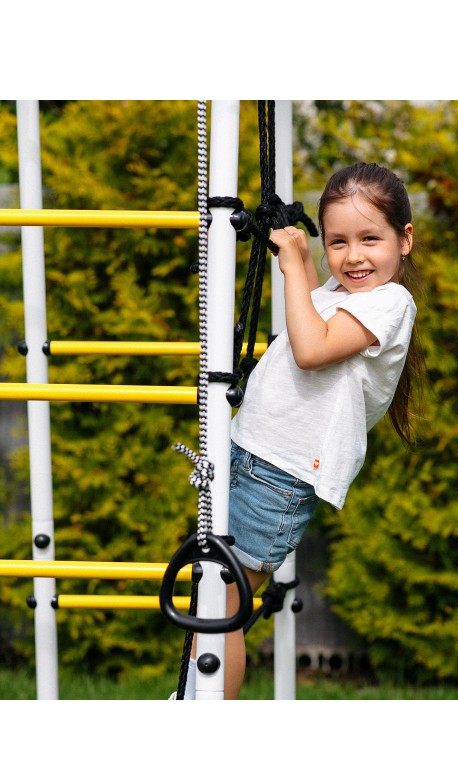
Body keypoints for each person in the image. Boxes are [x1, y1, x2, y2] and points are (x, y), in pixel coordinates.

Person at [184, 162, 425, 699]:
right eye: (337, 241)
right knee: (213, 593)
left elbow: (312, 350)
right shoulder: (344, 293)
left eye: (370, 239)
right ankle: (193, 697)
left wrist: (295, 266)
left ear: (405, 239)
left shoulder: (391, 302)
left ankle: (204, 708)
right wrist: (301, 270)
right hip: (250, 455)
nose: (353, 255)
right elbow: (312, 322)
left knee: (222, 604)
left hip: (281, 476)